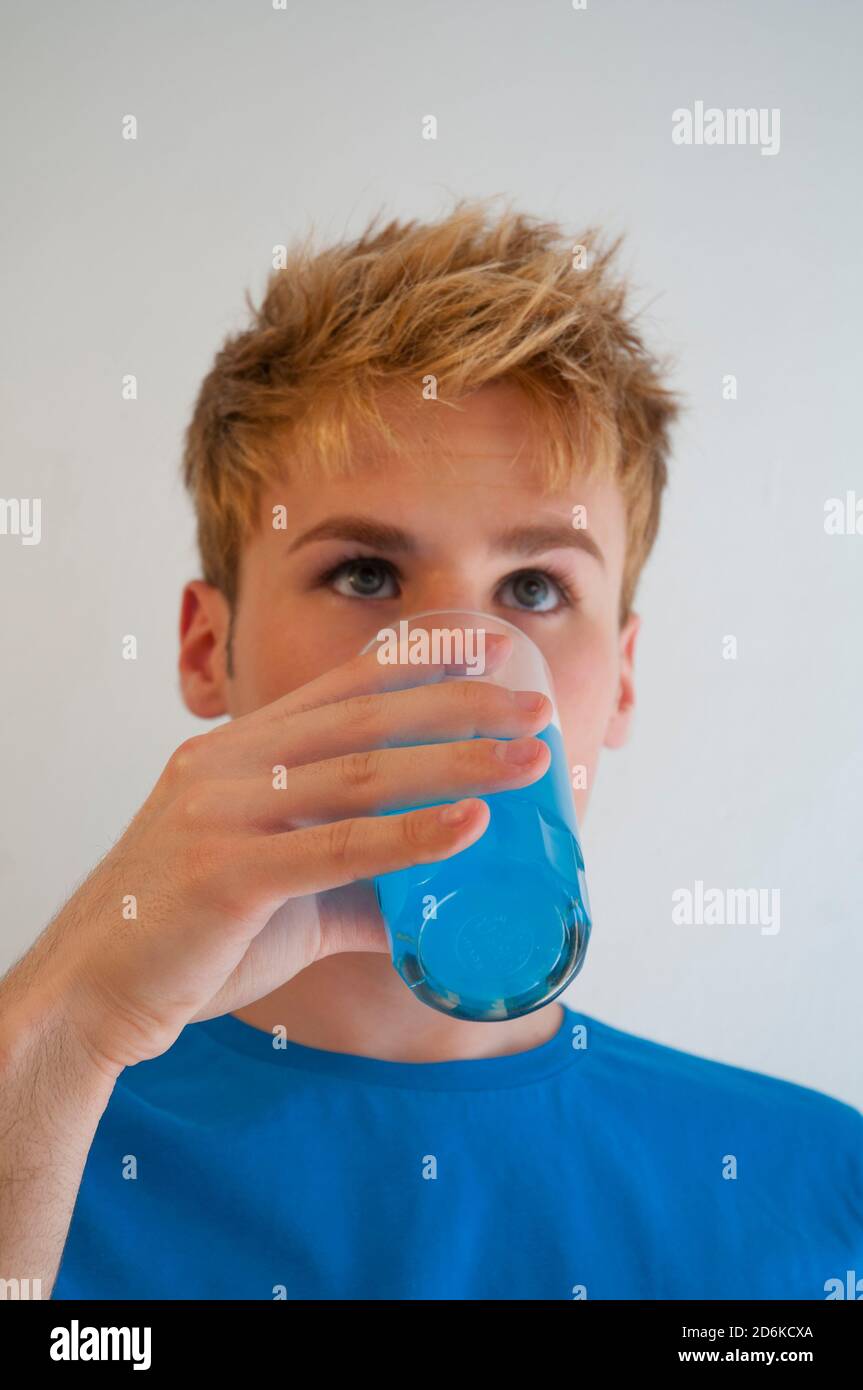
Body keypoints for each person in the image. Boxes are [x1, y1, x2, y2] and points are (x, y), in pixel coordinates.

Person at [1, 200, 860, 1301]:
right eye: (364, 574)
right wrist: (58, 1033)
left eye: (535, 588)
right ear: (209, 649)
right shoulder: (46, 1138)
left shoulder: (811, 1194)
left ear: (623, 679)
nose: (460, 661)